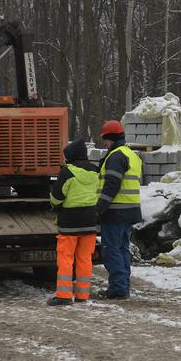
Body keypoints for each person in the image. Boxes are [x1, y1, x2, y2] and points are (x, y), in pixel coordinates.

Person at [47, 138, 99, 306]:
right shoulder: (95, 171)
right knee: (84, 259)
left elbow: (56, 198)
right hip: (90, 221)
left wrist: (53, 204)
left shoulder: (67, 172)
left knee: (66, 259)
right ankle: (83, 295)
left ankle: (64, 295)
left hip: (69, 222)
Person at [96, 120, 142, 300]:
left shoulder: (115, 156)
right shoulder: (131, 154)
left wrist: (100, 207)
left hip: (115, 212)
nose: (104, 144)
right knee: (122, 249)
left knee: (111, 250)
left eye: (105, 140)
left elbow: (112, 185)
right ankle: (123, 286)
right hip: (129, 211)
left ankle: (118, 288)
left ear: (111, 138)